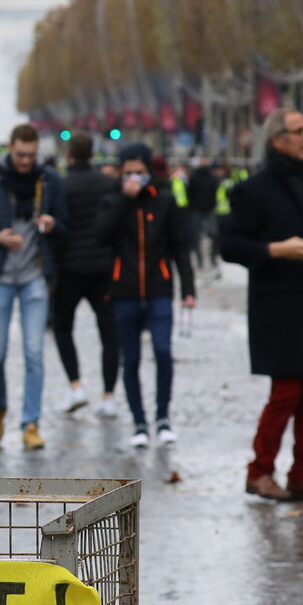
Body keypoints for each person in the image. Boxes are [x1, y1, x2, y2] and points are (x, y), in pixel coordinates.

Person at [221, 109, 303, 501]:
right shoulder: (253, 189)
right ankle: (259, 471)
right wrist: (276, 249)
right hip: (276, 306)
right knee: (286, 394)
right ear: (277, 139)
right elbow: (230, 245)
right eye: (299, 131)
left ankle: (302, 474)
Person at [0, 122, 66, 450]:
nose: (26, 161)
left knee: (34, 352)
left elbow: (65, 224)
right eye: (21, 154)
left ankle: (31, 423)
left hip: (34, 276)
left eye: (31, 155)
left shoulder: (49, 180)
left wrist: (53, 224)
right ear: (10, 148)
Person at [100, 144, 195, 447]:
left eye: (139, 173)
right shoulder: (112, 201)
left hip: (158, 290)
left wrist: (188, 289)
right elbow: (101, 234)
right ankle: (139, 422)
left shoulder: (165, 202)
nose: (134, 178)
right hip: (124, 291)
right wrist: (124, 202)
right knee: (131, 359)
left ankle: (163, 417)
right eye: (128, 173)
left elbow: (180, 247)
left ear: (149, 172)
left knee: (163, 352)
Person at [50, 134, 122, 418]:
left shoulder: (62, 186)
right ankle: (108, 396)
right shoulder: (108, 184)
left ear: (69, 154)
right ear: (92, 153)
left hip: (69, 269)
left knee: (62, 327)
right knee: (109, 332)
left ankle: (76, 385)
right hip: (103, 268)